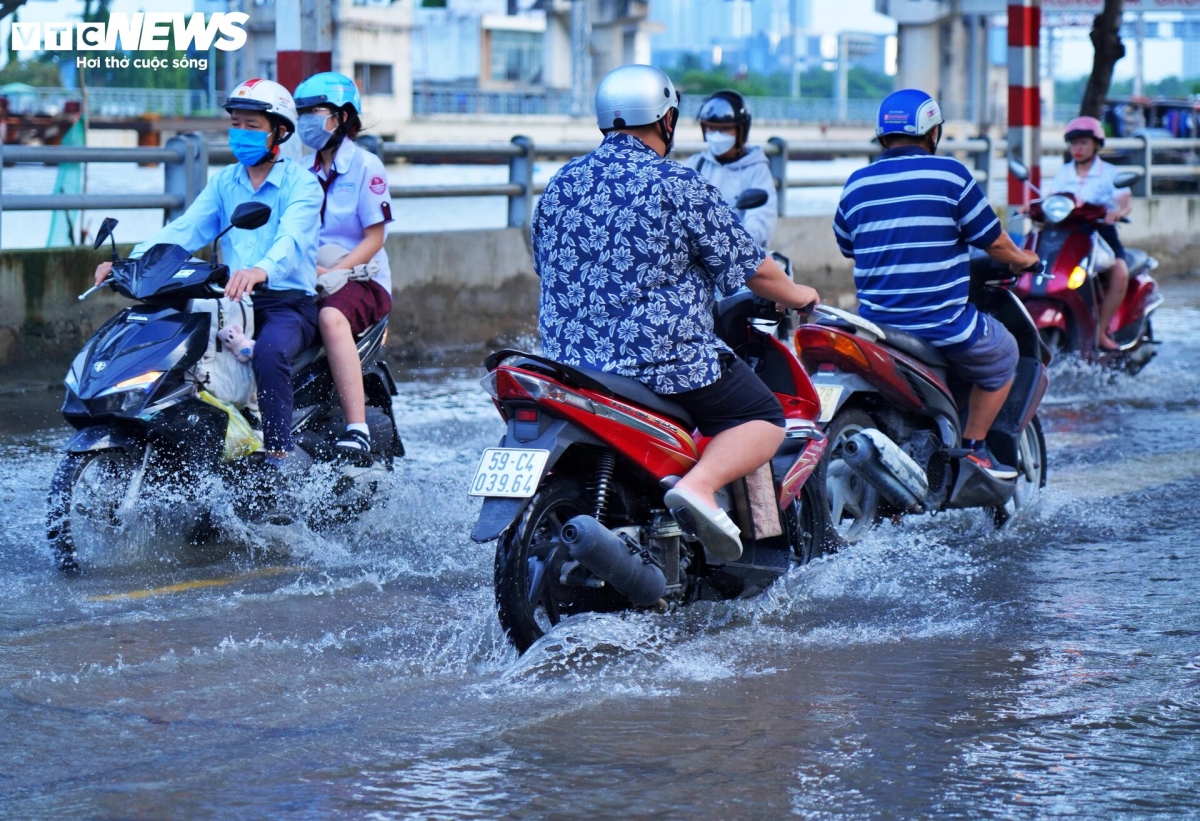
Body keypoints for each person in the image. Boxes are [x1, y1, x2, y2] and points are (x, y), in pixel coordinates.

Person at [533, 64, 820, 562]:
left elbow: (543, 261)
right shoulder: (676, 183)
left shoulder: (561, 182)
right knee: (763, 415)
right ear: (667, 120)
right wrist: (801, 295)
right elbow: (753, 267)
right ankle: (701, 486)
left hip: (568, 361)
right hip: (660, 362)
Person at [94, 78, 323, 478]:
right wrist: (130, 263)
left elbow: (292, 238)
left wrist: (259, 270)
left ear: (280, 133)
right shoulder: (225, 182)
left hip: (286, 301)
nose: (241, 134)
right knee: (175, 348)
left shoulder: (301, 184)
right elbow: (185, 230)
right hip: (231, 301)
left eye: (253, 127)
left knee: (269, 353)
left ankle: (278, 459)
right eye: (237, 124)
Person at [832, 88, 1041, 481]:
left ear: (883, 135)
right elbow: (994, 242)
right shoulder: (951, 174)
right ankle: (975, 449)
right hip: (940, 322)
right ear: (932, 132)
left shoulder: (856, 184)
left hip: (877, 327)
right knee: (1004, 355)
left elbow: (847, 245)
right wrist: (1027, 259)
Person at [294, 71, 395, 465]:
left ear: (342, 116)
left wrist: (334, 273)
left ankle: (357, 428)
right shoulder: (299, 171)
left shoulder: (367, 166)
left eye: (314, 111)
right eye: (301, 112)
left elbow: (375, 238)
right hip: (308, 273)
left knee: (333, 319)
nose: (306, 119)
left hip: (361, 278)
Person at [1046, 116, 1132, 351]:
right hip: (1067, 233)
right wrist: (1031, 206)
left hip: (1101, 233)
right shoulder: (1064, 172)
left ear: (1096, 144)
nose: (1078, 148)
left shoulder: (1109, 172)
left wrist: (1117, 212)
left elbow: (1125, 202)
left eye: (1083, 143)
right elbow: (1052, 198)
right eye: (1074, 144)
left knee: (1120, 273)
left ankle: (1101, 331)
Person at [683, 90, 777, 248]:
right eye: (711, 129)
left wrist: (739, 242)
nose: (717, 135)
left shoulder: (756, 170)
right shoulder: (694, 164)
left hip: (738, 256)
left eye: (725, 129)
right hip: (695, 256)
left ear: (741, 131)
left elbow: (760, 220)